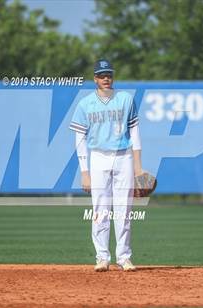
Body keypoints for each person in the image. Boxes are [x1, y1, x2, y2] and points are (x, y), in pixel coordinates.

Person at [69, 59, 143, 272]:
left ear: (113, 76)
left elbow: (135, 134)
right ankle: (102, 257)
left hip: (124, 157)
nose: (106, 78)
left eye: (108, 74)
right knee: (100, 210)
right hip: (98, 157)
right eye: (101, 75)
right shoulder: (85, 104)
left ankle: (124, 257)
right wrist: (84, 172)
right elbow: (79, 139)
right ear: (95, 79)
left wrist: (138, 167)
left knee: (124, 210)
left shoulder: (126, 99)